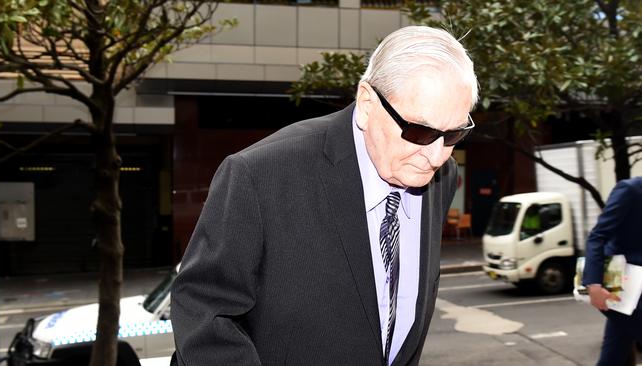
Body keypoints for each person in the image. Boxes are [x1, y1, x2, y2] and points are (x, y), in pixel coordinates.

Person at [170, 25, 478, 366]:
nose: (437, 156)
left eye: (454, 135)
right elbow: (204, 311)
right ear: (366, 103)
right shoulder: (260, 175)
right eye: (419, 131)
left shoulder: (441, 178)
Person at [583, 176, 642, 365]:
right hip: (621, 283)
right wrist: (593, 284)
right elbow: (598, 236)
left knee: (614, 352)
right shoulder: (630, 189)